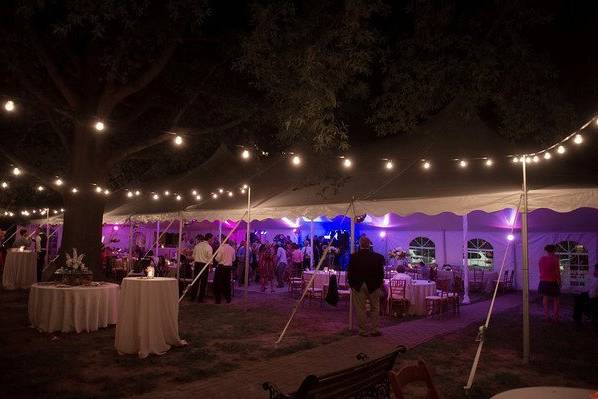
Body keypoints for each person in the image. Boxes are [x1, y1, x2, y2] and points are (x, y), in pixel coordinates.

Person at [347, 236, 385, 337]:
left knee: (360, 308)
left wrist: (352, 285)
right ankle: (375, 330)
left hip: (358, 285)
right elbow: (381, 273)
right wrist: (379, 284)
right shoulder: (378, 257)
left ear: (360, 244)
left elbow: (350, 272)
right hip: (373, 285)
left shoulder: (354, 256)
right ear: (369, 244)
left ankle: (363, 331)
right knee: (375, 307)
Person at [538, 244, 561, 321]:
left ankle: (546, 315)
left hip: (543, 281)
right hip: (552, 281)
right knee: (556, 298)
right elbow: (557, 272)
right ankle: (555, 316)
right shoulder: (555, 259)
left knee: (545, 298)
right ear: (554, 250)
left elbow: (541, 270)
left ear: (546, 250)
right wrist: (560, 281)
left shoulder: (541, 259)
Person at [190, 233, 213, 302]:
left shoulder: (197, 246)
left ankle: (193, 297)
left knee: (195, 281)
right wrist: (211, 267)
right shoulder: (209, 247)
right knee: (203, 282)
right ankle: (200, 299)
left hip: (197, 264)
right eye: (212, 239)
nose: (212, 240)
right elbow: (210, 259)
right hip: (204, 265)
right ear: (209, 239)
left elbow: (193, 256)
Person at [214, 238, 235, 304]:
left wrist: (215, 258)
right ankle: (228, 299)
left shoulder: (221, 248)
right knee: (227, 284)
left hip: (221, 267)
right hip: (228, 268)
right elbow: (234, 259)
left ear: (223, 241)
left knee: (218, 284)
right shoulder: (232, 249)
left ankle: (218, 300)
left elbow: (217, 259)